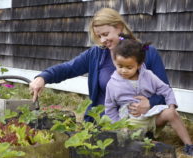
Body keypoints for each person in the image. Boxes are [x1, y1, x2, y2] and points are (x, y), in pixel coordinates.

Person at [29, 8, 168, 122]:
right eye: (99, 36)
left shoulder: (148, 53)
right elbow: (68, 68)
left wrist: (150, 103)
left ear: (119, 27)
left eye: (106, 34)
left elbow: (164, 91)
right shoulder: (96, 54)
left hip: (137, 122)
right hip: (103, 122)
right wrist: (43, 77)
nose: (103, 40)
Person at [104, 34, 193, 155]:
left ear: (139, 65)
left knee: (172, 113)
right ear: (115, 61)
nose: (123, 70)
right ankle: (150, 143)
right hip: (131, 121)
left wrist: (171, 105)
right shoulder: (112, 84)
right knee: (129, 139)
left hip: (152, 116)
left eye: (129, 67)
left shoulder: (148, 76)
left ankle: (189, 145)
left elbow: (165, 90)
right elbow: (110, 108)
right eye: (120, 66)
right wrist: (119, 126)